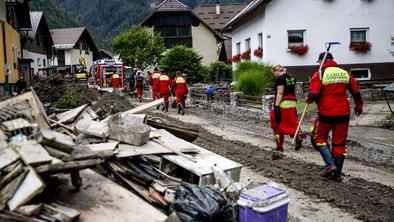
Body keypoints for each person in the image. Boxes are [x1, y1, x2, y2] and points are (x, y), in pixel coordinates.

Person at [306, 52, 363, 179]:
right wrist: (358, 107)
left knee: (318, 138)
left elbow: (313, 95)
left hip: (326, 113)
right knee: (339, 144)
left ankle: (330, 165)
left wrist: (308, 99)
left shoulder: (320, 74)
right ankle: (337, 174)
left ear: (322, 62)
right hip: (343, 113)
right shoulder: (345, 73)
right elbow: (356, 93)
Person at [270, 64, 303, 160]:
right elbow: (295, 91)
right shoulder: (292, 78)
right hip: (292, 104)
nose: (274, 75)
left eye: (274, 73)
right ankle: (297, 136)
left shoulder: (280, 79)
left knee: (276, 125)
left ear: (277, 70)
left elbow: (280, 92)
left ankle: (279, 146)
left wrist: (276, 106)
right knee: (292, 122)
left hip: (282, 104)